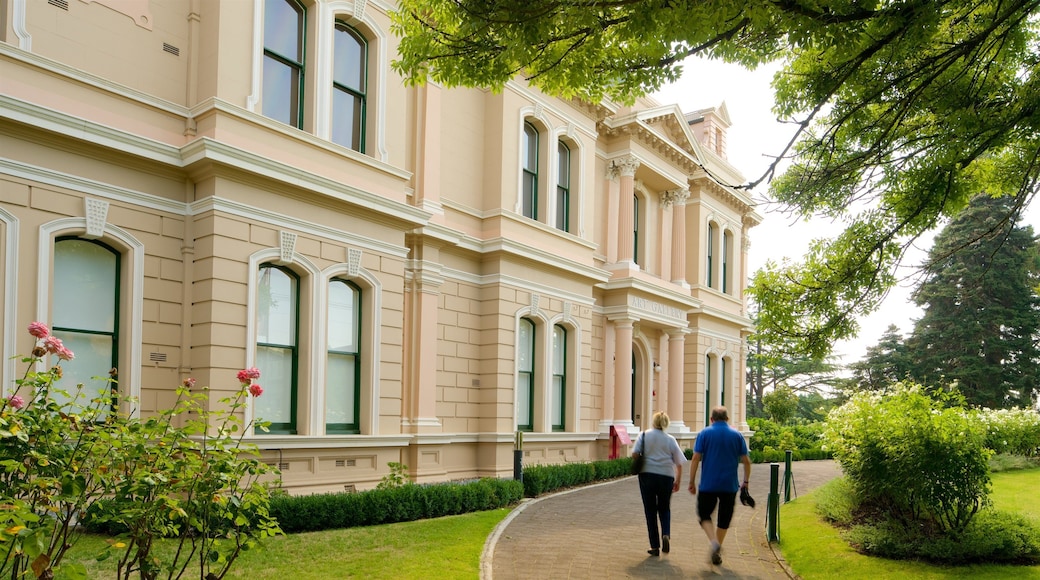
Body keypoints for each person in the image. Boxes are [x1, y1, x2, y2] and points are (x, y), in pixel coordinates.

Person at [688, 406, 751, 566]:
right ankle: (717, 548)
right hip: (729, 485)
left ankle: (714, 542)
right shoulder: (737, 435)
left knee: (704, 515)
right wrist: (745, 482)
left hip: (708, 484)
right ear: (727, 419)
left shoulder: (704, 433)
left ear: (711, 419)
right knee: (724, 519)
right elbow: (746, 461)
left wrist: (691, 481)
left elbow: (695, 458)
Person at [631, 411, 687, 557]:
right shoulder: (670, 439)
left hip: (647, 475)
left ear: (653, 422)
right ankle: (666, 534)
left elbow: (635, 454)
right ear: (666, 423)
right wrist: (678, 480)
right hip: (666, 476)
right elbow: (679, 463)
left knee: (650, 510)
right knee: (664, 507)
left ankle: (654, 546)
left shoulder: (644, 435)